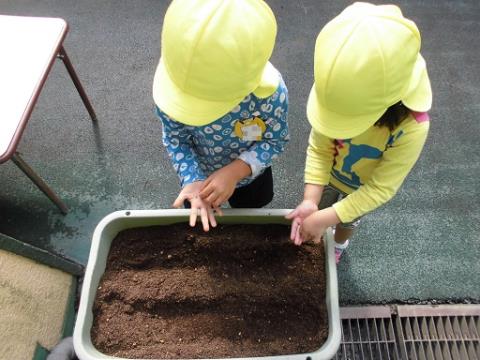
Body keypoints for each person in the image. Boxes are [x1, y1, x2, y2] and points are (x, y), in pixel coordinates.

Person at [287, 2, 432, 263]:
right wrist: (311, 201)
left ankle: (339, 245)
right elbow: (320, 149)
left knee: (347, 218)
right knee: (321, 208)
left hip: (362, 189)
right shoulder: (338, 89)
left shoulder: (411, 127)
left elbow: (379, 189)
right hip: (330, 177)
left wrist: (328, 218)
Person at [153, 0, 289, 231]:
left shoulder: (269, 95)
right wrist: (192, 179)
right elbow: (176, 140)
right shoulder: (173, 90)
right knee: (200, 222)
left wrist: (236, 171)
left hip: (250, 177)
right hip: (199, 180)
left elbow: (274, 141)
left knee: (251, 217)